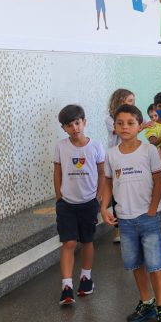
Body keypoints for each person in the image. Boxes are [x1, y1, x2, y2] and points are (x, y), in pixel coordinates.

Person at [101, 104, 161, 322]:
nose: (125, 127)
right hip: (125, 219)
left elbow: (159, 180)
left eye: (130, 123)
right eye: (120, 123)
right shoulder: (111, 155)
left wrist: (153, 209)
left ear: (139, 125)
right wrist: (105, 207)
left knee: (155, 264)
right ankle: (147, 302)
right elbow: (108, 182)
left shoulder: (148, 150)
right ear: (114, 126)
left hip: (148, 216)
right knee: (135, 263)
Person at [53, 104, 105, 306]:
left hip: (89, 202)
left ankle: (86, 277)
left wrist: (97, 199)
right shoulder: (61, 146)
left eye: (77, 122)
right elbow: (57, 172)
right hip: (66, 203)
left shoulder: (96, 146)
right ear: (63, 128)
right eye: (69, 125)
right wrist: (59, 197)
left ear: (84, 122)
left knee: (87, 240)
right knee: (68, 242)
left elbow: (102, 174)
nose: (74, 128)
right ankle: (66, 286)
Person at [104, 88, 135, 244]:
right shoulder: (110, 119)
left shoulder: (132, 116)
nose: (132, 104)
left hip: (129, 156)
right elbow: (121, 131)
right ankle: (118, 230)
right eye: (129, 101)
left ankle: (130, 226)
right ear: (120, 100)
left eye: (133, 101)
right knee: (117, 193)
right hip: (115, 159)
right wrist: (138, 126)